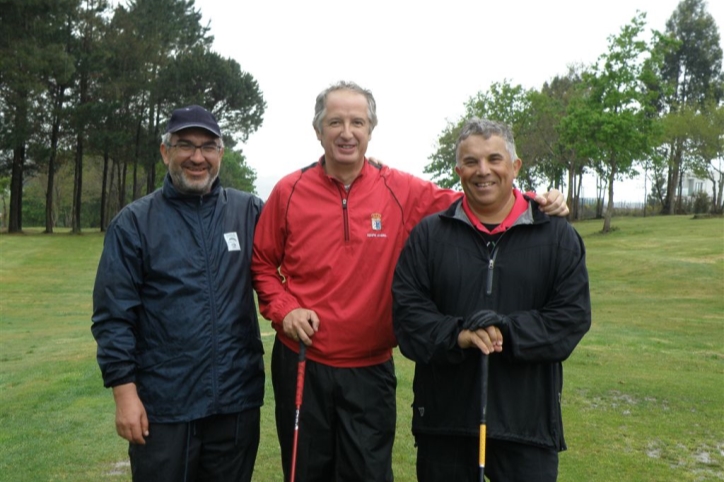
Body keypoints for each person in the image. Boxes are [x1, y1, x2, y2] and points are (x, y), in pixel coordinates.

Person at [251, 81, 570, 481]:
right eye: (335, 122)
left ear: (371, 130)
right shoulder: (288, 191)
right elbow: (262, 264)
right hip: (302, 363)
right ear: (318, 130)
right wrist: (285, 310)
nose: (346, 132)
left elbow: (475, 193)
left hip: (370, 370)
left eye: (357, 122)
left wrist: (536, 199)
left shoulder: (399, 189)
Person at [392, 118, 591, 482]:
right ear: (458, 170)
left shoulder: (558, 237)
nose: (482, 171)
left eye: (494, 159)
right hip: (445, 424)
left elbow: (570, 319)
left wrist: (506, 331)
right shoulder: (428, 236)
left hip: (527, 427)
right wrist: (458, 335)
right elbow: (408, 318)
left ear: (514, 167)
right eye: (471, 162)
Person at [91, 105, 264, 482]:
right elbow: (112, 317)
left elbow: (301, 241)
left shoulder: (248, 211)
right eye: (185, 145)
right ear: (166, 151)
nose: (197, 157)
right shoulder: (134, 223)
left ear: (220, 153)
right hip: (164, 406)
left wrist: (349, 170)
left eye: (208, 146)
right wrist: (124, 393)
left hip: (236, 402)